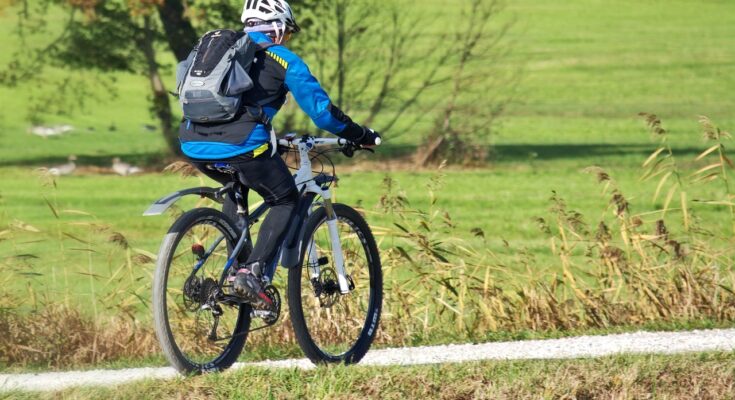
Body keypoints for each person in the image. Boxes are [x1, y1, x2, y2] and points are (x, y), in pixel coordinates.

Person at [179, 0, 381, 308]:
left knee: (237, 187)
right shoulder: (282, 59)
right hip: (244, 145)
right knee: (284, 199)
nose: (286, 39)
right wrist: (361, 135)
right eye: (286, 33)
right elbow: (323, 114)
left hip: (192, 144)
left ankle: (234, 273)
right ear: (277, 28)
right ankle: (252, 271)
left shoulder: (218, 51)